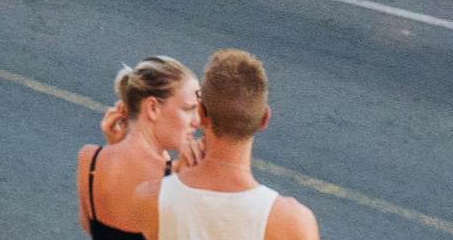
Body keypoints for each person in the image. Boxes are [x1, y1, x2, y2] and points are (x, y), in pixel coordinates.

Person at [151, 52, 313, 240]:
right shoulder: (292, 222)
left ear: (201, 114)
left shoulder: (151, 198)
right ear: (264, 118)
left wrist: (176, 170)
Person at [80, 59, 199, 240]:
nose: (196, 121)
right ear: (152, 108)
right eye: (188, 109)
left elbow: (89, 226)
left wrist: (114, 146)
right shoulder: (174, 182)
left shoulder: (90, 158)